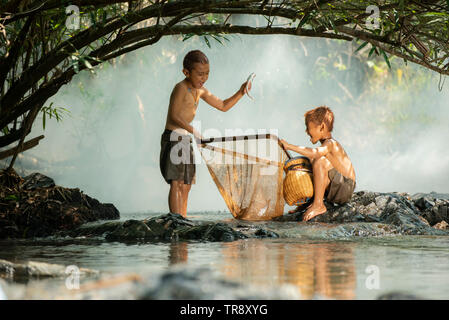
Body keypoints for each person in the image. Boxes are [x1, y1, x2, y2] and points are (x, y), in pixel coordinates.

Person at [160, 50, 250, 218]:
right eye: (200, 74)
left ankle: (183, 217)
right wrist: (194, 131)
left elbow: (223, 105)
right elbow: (174, 116)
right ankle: (175, 220)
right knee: (177, 182)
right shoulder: (181, 88)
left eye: (207, 73)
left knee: (186, 184)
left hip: (185, 139)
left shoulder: (200, 91)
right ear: (186, 72)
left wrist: (241, 92)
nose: (204, 78)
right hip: (174, 137)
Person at [280, 106, 356, 221]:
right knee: (312, 162)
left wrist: (289, 146)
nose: (306, 131)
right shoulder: (326, 145)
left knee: (318, 160)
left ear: (322, 127)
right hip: (337, 187)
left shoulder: (331, 143)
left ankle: (318, 204)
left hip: (345, 187)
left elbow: (315, 153)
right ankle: (308, 203)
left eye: (308, 127)